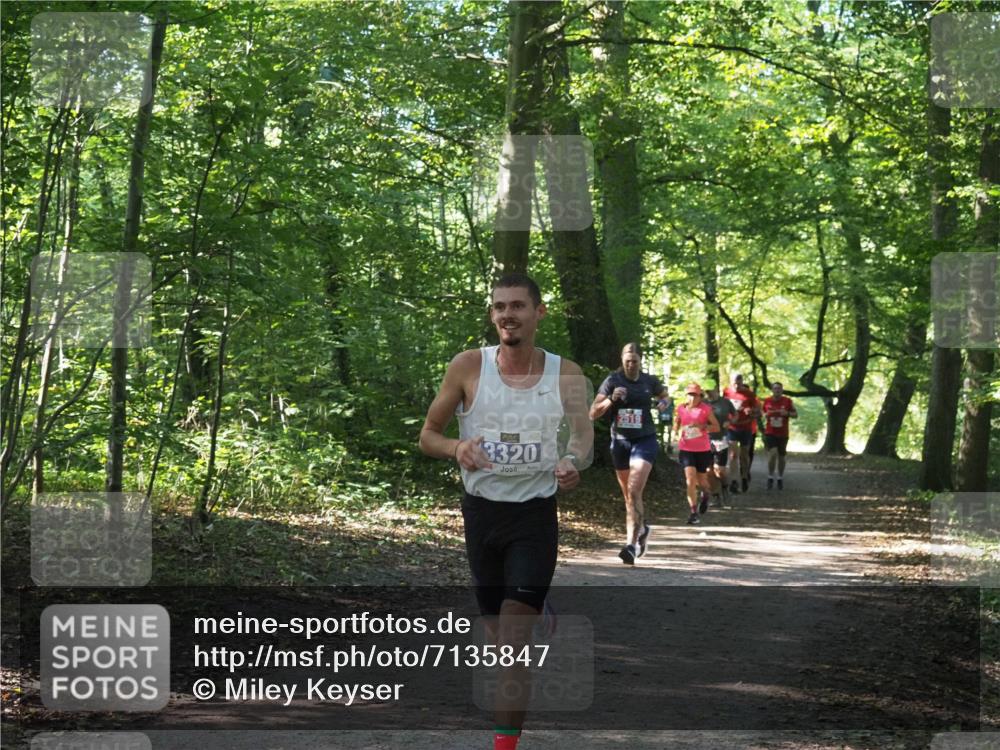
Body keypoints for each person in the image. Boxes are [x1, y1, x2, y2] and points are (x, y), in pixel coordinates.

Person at [418, 272, 592, 750]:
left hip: (534, 515)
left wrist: (573, 462)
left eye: (517, 306)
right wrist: (457, 448)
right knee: (500, 639)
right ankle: (535, 612)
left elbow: (582, 436)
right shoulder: (468, 366)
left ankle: (504, 747)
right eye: (499, 307)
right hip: (481, 515)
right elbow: (428, 434)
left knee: (513, 636)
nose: (506, 315)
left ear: (539, 313)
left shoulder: (566, 373)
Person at [590, 343, 670, 565]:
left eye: (634, 361)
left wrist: (663, 403)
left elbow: (665, 397)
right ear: (622, 360)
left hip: (645, 440)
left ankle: (631, 545)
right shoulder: (612, 381)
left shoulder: (649, 381)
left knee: (634, 490)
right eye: (627, 361)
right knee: (629, 497)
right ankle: (642, 530)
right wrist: (611, 399)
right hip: (621, 443)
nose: (631, 364)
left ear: (640, 361)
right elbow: (593, 413)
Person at [671, 383, 720, 525]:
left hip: (702, 450)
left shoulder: (705, 409)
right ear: (686, 395)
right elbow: (677, 422)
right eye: (690, 394)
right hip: (686, 449)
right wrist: (675, 433)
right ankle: (693, 512)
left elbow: (716, 427)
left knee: (702, 481)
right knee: (690, 480)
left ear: (700, 396)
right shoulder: (680, 408)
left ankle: (706, 495)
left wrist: (703, 426)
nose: (692, 397)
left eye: (695, 395)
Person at [724, 372, 760, 494]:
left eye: (739, 384)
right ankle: (734, 481)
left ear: (742, 382)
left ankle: (744, 476)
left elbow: (758, 412)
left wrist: (750, 411)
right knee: (733, 455)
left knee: (744, 455)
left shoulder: (749, 394)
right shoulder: (727, 392)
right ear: (730, 382)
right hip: (732, 428)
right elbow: (724, 407)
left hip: (746, 427)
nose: (737, 386)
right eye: (734, 383)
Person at [762, 381, 797, 489]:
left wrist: (787, 413)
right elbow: (762, 413)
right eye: (775, 388)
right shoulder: (767, 401)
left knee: (781, 456)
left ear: (782, 390)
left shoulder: (788, 401)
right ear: (772, 390)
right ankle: (770, 476)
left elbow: (795, 414)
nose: (777, 390)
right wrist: (766, 415)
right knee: (772, 454)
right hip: (770, 432)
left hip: (783, 433)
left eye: (779, 389)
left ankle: (780, 477)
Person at [705, 386, 736, 507]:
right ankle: (716, 496)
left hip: (720, 439)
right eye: (707, 391)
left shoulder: (725, 402)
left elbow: (735, 415)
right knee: (708, 470)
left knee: (720, 470)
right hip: (705, 440)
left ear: (716, 390)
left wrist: (730, 422)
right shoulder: (703, 403)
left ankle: (725, 488)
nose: (709, 393)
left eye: (710, 391)